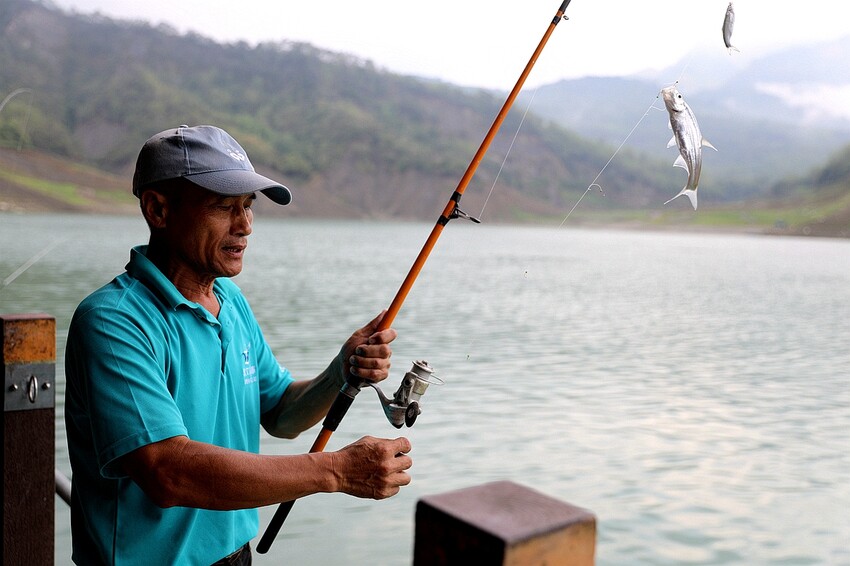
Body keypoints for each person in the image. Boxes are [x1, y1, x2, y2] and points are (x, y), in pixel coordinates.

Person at [64, 125, 413, 565]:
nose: (245, 225)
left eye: (248, 206)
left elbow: (281, 414)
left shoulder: (230, 302)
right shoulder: (113, 322)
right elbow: (168, 472)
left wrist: (340, 371)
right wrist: (336, 471)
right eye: (223, 206)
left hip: (235, 555)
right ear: (158, 209)